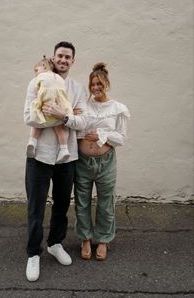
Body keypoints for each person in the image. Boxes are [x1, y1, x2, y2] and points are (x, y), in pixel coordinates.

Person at [23, 41, 87, 281]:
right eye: (60, 55)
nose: (63, 60)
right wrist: (67, 117)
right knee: (36, 208)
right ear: (54, 57)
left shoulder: (77, 88)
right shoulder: (36, 81)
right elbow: (29, 118)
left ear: (72, 61)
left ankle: (55, 244)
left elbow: (84, 123)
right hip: (38, 156)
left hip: (66, 156)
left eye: (67, 57)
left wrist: (62, 115)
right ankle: (33, 254)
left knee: (61, 205)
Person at [74, 62, 130, 261]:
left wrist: (100, 133)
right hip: (82, 162)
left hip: (106, 162)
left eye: (99, 84)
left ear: (107, 83)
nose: (95, 88)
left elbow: (121, 138)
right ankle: (86, 239)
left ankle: (103, 240)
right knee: (82, 202)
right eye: (92, 84)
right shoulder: (83, 106)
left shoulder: (117, 108)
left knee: (106, 203)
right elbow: (76, 129)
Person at [26, 55, 73, 163]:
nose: (36, 73)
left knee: (38, 122)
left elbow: (39, 90)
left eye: (36, 70)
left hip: (45, 106)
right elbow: (63, 94)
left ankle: (32, 142)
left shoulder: (40, 77)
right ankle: (64, 149)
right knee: (60, 128)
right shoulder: (60, 78)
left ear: (43, 65)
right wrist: (68, 111)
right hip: (59, 108)